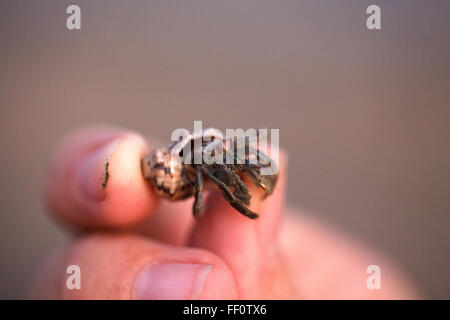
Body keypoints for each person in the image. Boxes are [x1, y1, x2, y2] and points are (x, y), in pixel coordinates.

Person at [31, 125, 419, 299]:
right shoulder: (198, 167)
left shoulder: (222, 154)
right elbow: (200, 193)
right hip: (187, 170)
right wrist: (210, 200)